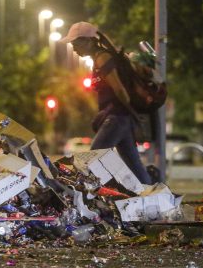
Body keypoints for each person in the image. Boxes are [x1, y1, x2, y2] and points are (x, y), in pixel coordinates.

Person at [61, 22, 152, 184]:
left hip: (117, 117)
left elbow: (119, 89)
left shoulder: (103, 58)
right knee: (135, 166)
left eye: (76, 44)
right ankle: (156, 196)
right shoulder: (99, 58)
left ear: (89, 41)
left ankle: (83, 197)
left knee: (92, 159)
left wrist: (132, 113)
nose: (74, 49)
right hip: (121, 118)